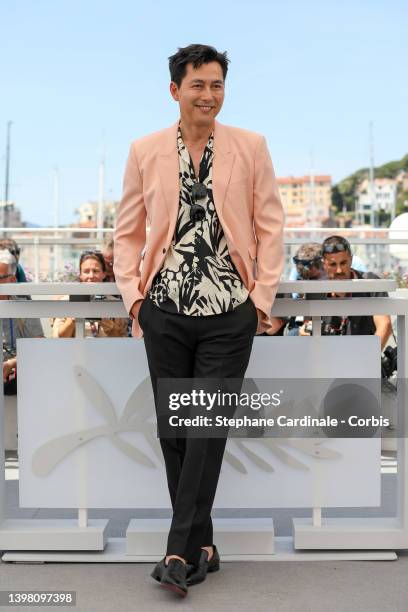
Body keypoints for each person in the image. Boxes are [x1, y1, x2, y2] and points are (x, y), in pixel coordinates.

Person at [113, 44, 284, 597]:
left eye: (217, 85)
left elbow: (270, 225)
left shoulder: (250, 146)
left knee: (205, 428)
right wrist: (132, 298)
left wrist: (261, 299)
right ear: (175, 91)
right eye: (198, 85)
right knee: (174, 431)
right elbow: (128, 230)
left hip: (229, 311)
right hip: (163, 308)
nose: (209, 95)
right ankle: (203, 545)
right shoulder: (145, 150)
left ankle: (176, 551)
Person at [299, 235, 392, 348]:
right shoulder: (316, 290)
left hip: (362, 356)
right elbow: (306, 328)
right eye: (333, 264)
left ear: (351, 260)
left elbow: (385, 325)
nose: (339, 270)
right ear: (324, 265)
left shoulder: (371, 283)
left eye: (343, 263)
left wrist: (367, 358)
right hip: (327, 358)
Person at [51, 250, 127, 338]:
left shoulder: (114, 304)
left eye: (96, 271)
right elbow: (57, 339)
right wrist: (72, 320)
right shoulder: (66, 301)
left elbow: (123, 341)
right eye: (86, 271)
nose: (91, 276)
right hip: (75, 351)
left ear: (104, 274)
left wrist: (112, 330)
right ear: (80, 275)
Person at [0, 249, 44, 395]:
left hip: (20, 382)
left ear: (12, 280)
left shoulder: (24, 307)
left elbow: (39, 345)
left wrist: (12, 363)